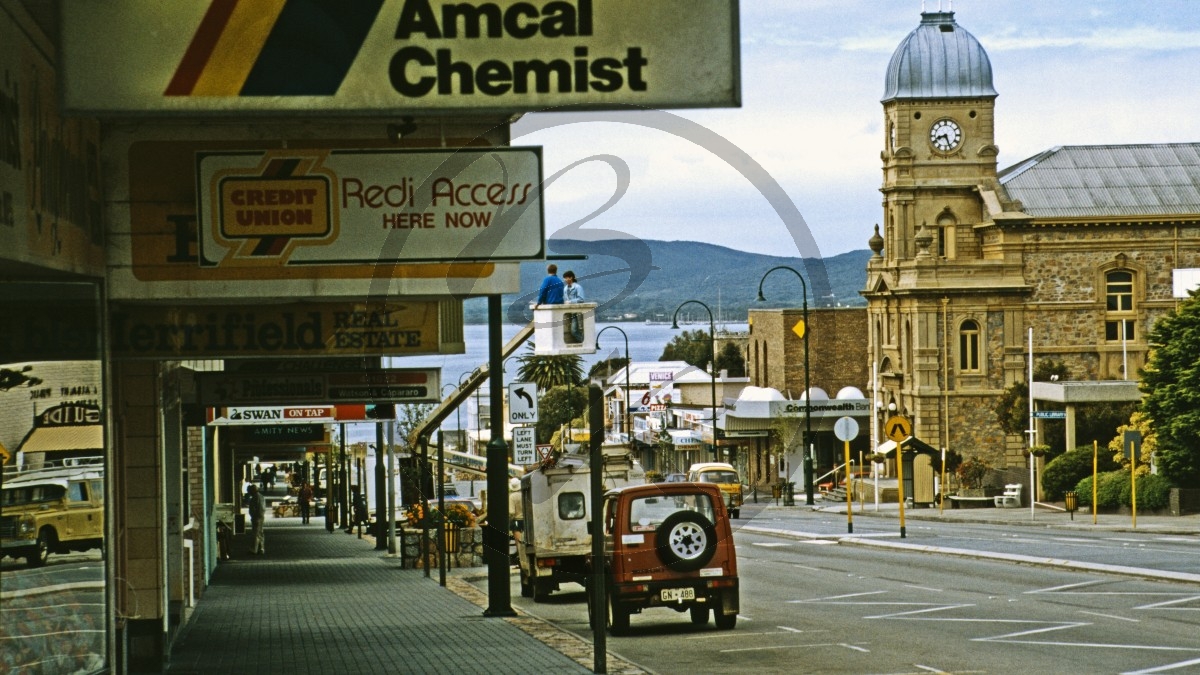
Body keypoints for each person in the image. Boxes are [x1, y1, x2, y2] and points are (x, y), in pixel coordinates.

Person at [562, 270, 585, 343]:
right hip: (570, 312)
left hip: (577, 312)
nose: (565, 280)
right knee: (573, 331)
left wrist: (570, 302)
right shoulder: (565, 288)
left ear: (571, 278)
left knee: (576, 330)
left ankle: (584, 342)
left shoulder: (578, 287)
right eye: (564, 278)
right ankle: (583, 341)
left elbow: (581, 299)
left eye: (566, 278)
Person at [245, 484, 266, 555]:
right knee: (260, 533)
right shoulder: (261, 496)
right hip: (261, 516)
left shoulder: (254, 498)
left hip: (256, 517)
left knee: (256, 533)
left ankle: (254, 549)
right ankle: (261, 548)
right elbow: (263, 508)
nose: (249, 493)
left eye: (249, 491)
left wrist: (253, 516)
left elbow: (253, 509)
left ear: (252, 491)